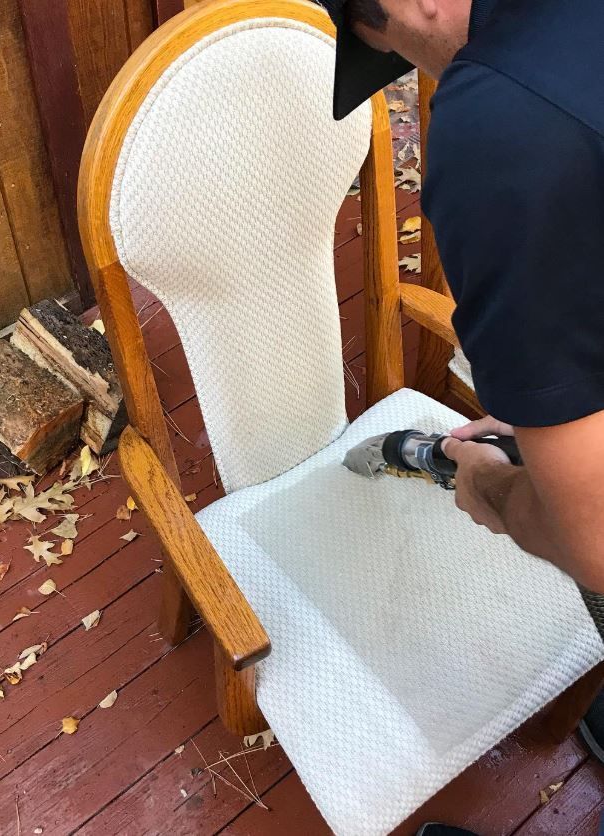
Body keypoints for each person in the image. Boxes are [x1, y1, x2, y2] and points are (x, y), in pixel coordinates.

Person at [316, 0, 604, 833]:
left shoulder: (500, 124)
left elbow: (595, 545)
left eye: (390, 45)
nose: (428, 76)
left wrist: (497, 491)